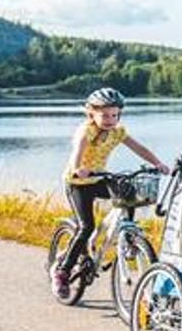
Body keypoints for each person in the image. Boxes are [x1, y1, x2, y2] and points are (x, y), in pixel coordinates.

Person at [50, 87, 170, 299]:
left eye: (114, 115)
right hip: (78, 182)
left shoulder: (118, 132)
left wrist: (157, 163)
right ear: (91, 114)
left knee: (130, 192)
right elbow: (77, 151)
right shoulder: (86, 131)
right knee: (86, 226)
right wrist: (78, 168)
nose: (109, 119)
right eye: (104, 115)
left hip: (100, 179)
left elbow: (139, 148)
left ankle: (129, 235)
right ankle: (62, 272)